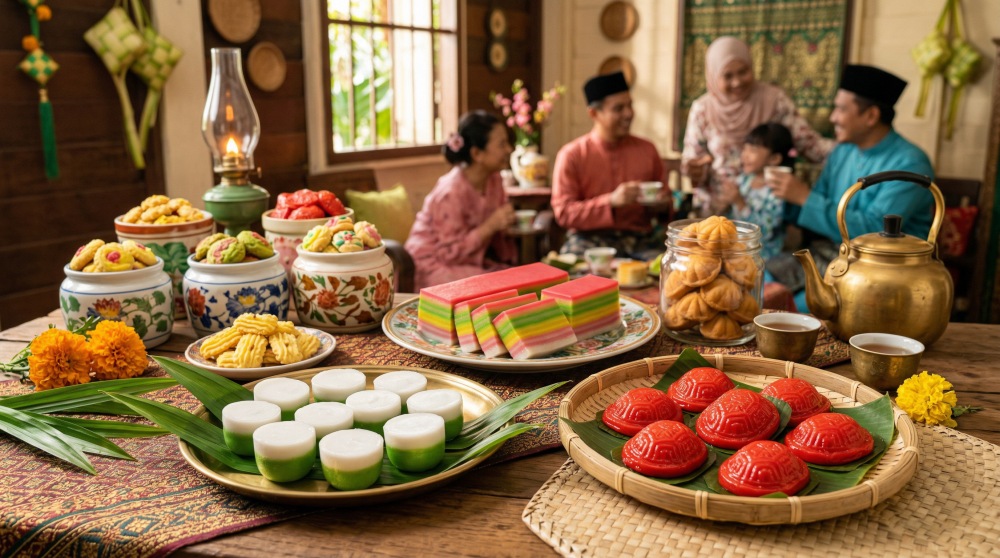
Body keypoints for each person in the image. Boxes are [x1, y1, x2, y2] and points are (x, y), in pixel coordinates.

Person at [766, 64, 935, 308]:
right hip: (832, 256)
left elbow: (876, 232)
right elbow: (817, 215)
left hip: (884, 271)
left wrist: (804, 198)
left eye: (841, 109)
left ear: (871, 116)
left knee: (791, 306)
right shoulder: (842, 152)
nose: (832, 117)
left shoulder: (910, 163)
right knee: (759, 282)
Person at [682, 36, 835, 215]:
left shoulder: (774, 101)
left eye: (743, 71)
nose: (737, 82)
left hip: (764, 207)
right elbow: (693, 159)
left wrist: (851, 152)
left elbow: (809, 144)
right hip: (717, 208)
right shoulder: (702, 109)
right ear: (714, 75)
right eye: (728, 76)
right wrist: (695, 169)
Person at [550, 71, 668, 260]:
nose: (629, 114)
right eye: (618, 108)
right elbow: (563, 213)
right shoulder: (572, 155)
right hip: (587, 240)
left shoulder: (647, 150)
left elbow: (666, 208)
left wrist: (662, 204)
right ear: (594, 113)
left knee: (672, 274)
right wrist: (610, 201)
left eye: (630, 105)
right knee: (572, 279)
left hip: (641, 240)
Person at [405, 111, 518, 290]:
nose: (509, 149)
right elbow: (447, 253)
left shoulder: (494, 179)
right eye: (502, 144)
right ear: (477, 153)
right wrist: (490, 226)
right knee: (500, 287)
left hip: (470, 262)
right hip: (433, 265)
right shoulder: (450, 192)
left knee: (517, 278)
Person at [717, 122, 795, 261]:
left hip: (763, 257)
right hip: (736, 252)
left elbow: (765, 233)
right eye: (744, 149)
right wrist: (724, 204)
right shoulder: (744, 181)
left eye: (752, 150)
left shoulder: (778, 190)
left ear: (774, 159)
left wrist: (740, 203)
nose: (744, 156)